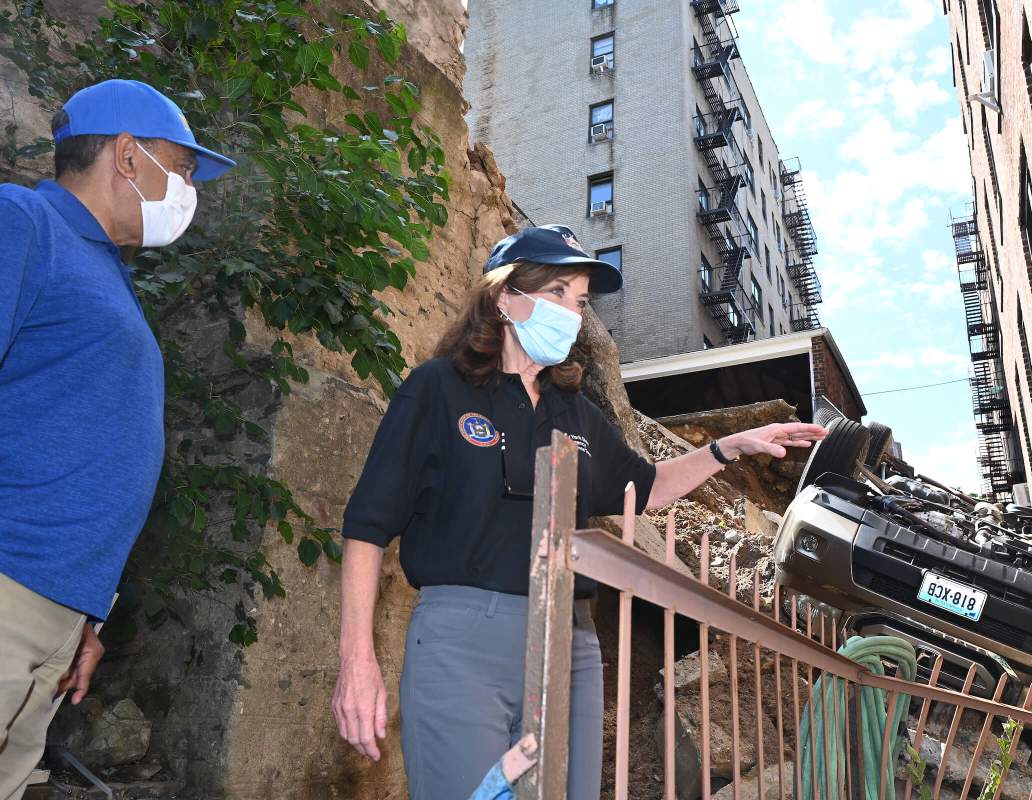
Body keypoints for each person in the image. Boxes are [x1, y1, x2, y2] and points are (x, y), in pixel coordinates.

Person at [331, 224, 827, 799]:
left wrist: (727, 447)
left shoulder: (578, 413)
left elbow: (647, 487)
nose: (573, 313)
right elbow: (366, 525)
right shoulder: (437, 390)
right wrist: (357, 660)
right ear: (504, 297)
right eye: (558, 293)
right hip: (462, 641)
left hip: (572, 648)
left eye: (581, 301)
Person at [0, 79, 235, 797]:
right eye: (184, 167)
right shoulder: (23, 221)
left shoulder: (106, 271)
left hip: (56, 608)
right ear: (128, 156)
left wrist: (88, 615)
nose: (189, 190)